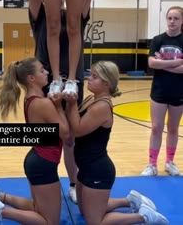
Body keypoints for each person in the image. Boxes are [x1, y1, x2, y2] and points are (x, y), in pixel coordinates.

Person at [65, 60, 169, 225]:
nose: (89, 79)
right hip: (85, 166)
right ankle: (129, 201)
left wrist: (70, 103)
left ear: (106, 84)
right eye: (90, 74)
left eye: (94, 77)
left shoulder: (102, 106)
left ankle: (145, 217)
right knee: (84, 211)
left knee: (94, 222)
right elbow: (73, 121)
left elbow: (78, 129)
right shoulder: (91, 98)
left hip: (97, 170)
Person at [29, 0, 93, 204]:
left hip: (73, 82)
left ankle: (74, 184)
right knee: (45, 137)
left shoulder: (77, 18)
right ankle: (44, 180)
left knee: (70, 138)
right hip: (47, 81)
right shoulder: (41, 18)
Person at [0, 57, 70, 225]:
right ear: (31, 78)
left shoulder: (31, 98)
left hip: (37, 159)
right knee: (50, 222)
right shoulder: (44, 104)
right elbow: (66, 134)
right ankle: (1, 211)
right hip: (43, 163)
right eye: (42, 70)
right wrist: (58, 106)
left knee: (37, 208)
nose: (47, 72)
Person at [141, 6, 183, 176]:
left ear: (182, 21)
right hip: (159, 91)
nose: (172, 21)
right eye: (170, 18)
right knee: (156, 127)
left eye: (176, 18)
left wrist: (162, 64)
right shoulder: (157, 40)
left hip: (179, 91)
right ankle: (152, 164)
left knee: (173, 128)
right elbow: (151, 64)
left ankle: (170, 162)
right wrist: (175, 63)